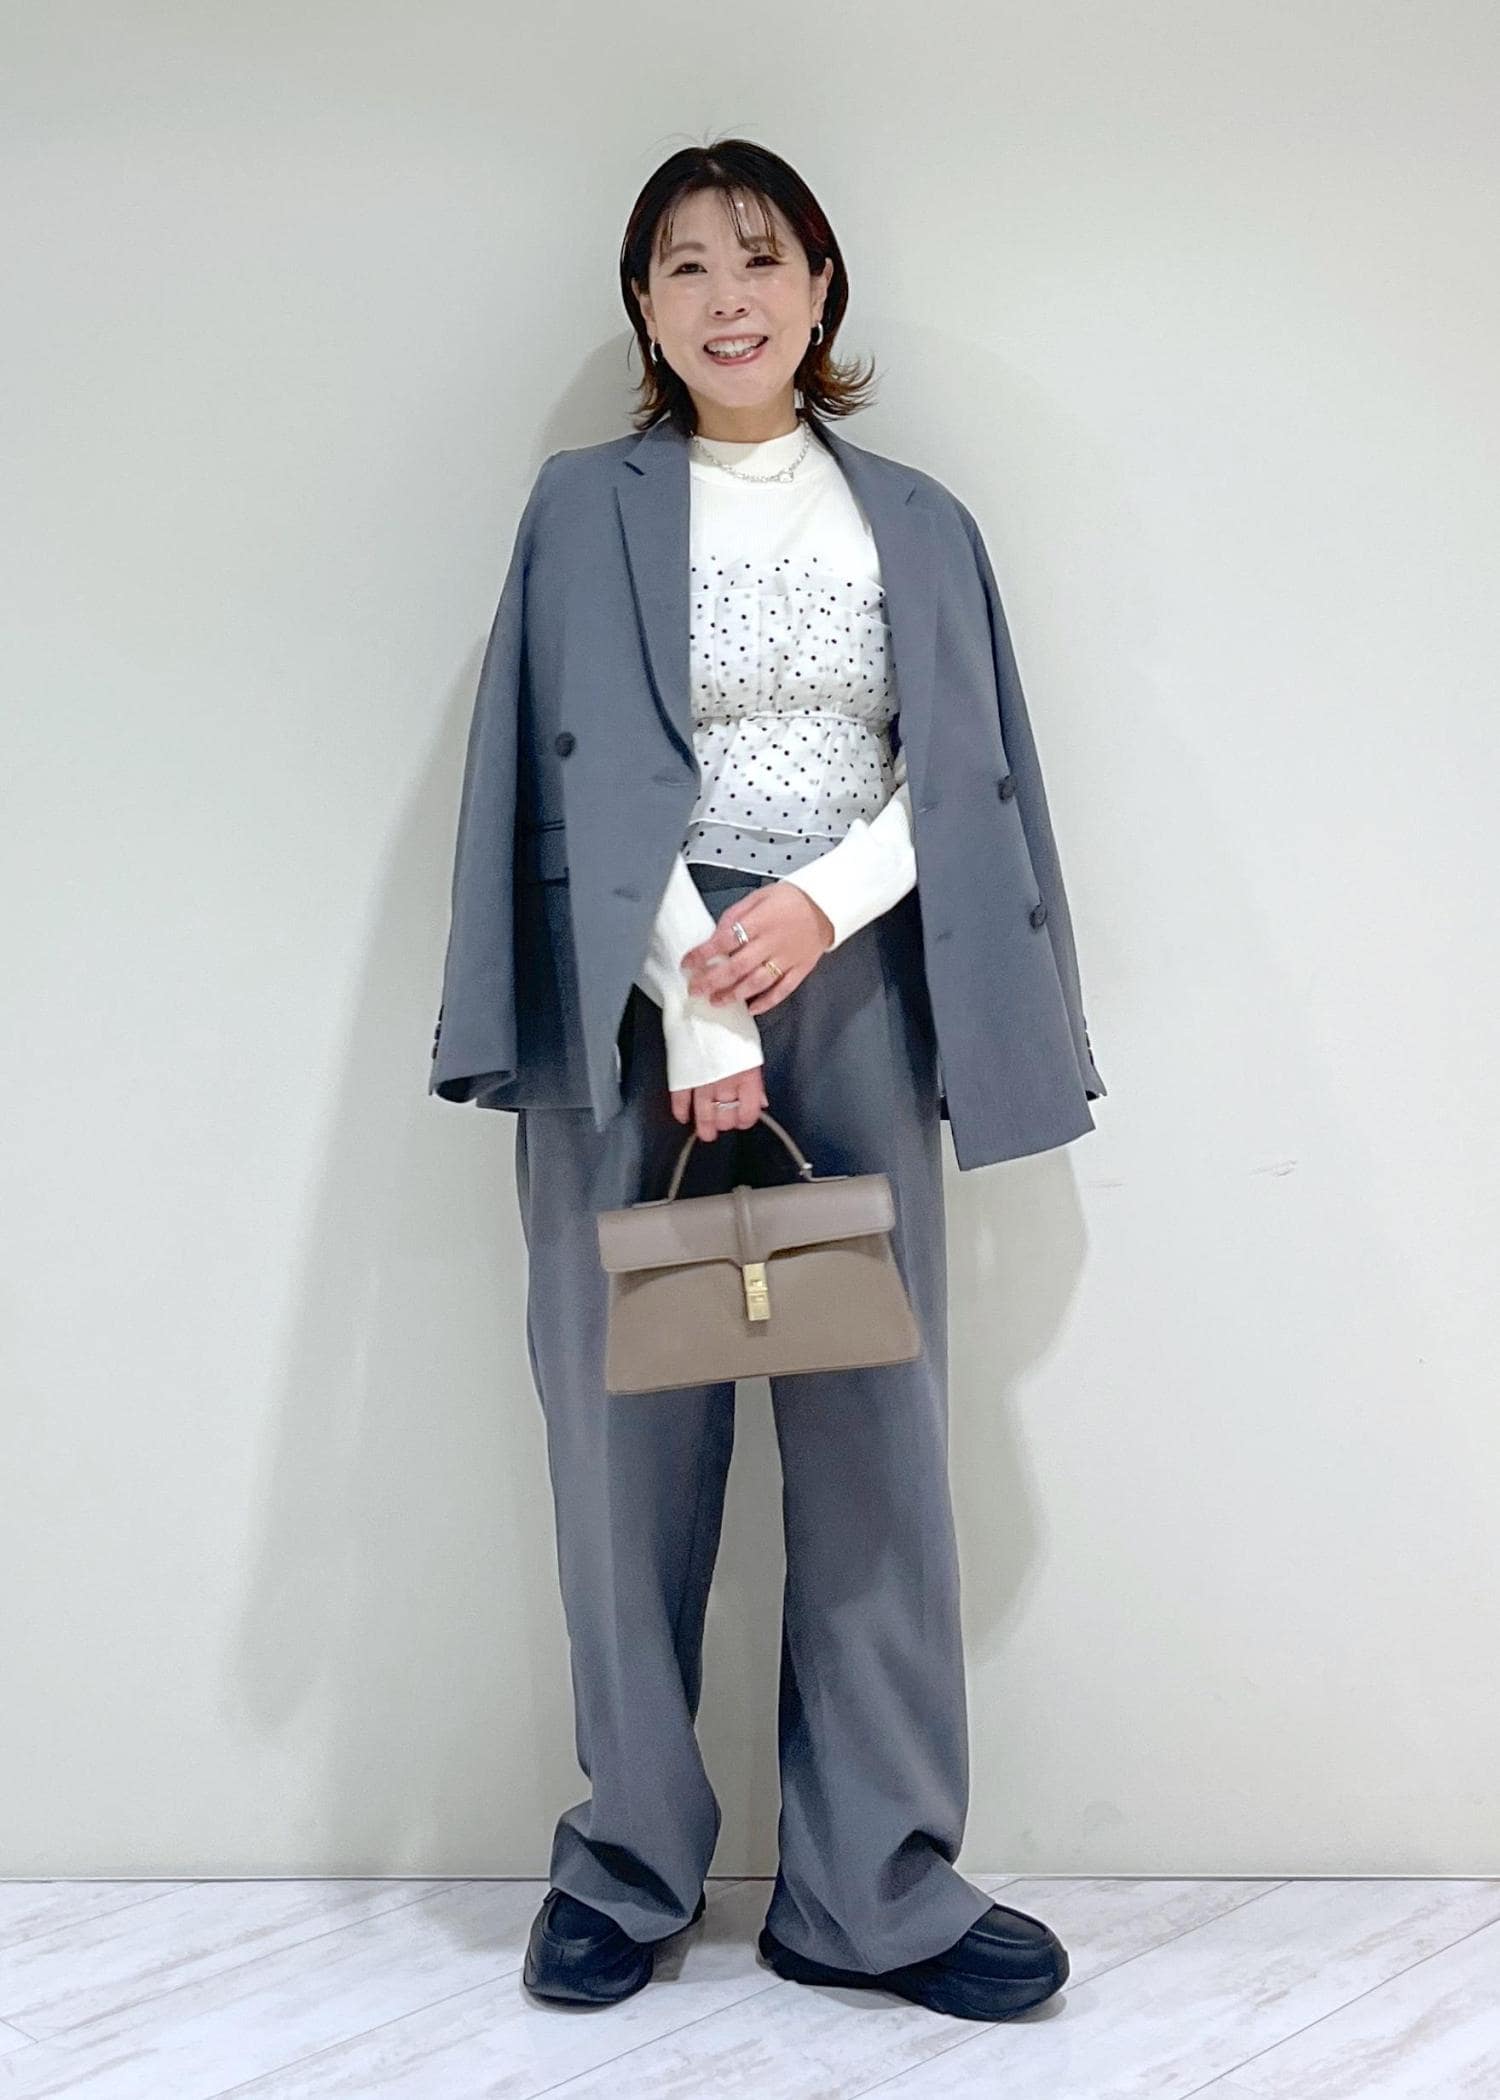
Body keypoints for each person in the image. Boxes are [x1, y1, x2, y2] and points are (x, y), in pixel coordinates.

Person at [429, 138, 1106, 2023]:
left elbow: (955, 767)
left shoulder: (919, 519)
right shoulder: (586, 505)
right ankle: (629, 1863)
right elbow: (570, 760)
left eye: (761, 257)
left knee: (877, 1432)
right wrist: (702, 998)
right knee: (623, 1436)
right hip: (633, 989)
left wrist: (811, 912)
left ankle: (873, 1886)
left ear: (821, 286)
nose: (727, 296)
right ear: (642, 308)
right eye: (683, 266)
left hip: (862, 974)